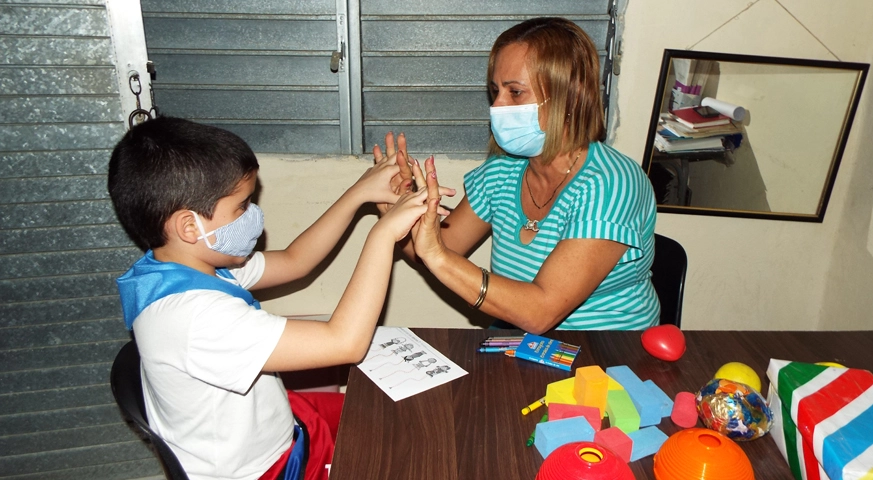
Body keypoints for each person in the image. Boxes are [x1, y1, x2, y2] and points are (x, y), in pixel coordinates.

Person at [107, 117, 447, 480]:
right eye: (241, 206)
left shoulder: (185, 267)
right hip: (268, 468)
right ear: (189, 226)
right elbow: (345, 343)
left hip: (277, 424)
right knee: (406, 448)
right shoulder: (194, 317)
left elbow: (295, 261)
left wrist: (361, 191)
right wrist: (383, 234)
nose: (254, 215)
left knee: (390, 418)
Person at [377, 17, 659, 333]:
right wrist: (400, 212)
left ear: (571, 97)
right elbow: (431, 249)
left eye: (515, 92)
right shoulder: (502, 171)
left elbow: (540, 312)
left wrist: (438, 256)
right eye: (495, 91)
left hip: (610, 358)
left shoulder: (612, 184)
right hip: (522, 346)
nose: (497, 106)